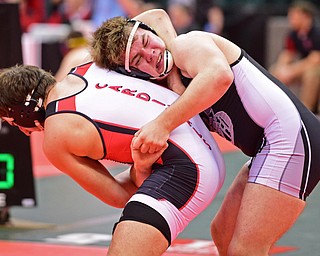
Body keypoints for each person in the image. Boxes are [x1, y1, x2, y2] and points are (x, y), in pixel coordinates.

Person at [90, 9, 320, 256]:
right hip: (269, 146)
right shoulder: (171, 85)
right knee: (223, 233)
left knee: (246, 249)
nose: (151, 55)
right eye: (138, 60)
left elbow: (219, 76)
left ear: (150, 33)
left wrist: (162, 124)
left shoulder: (186, 44)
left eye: (147, 42)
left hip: (291, 138)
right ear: (134, 73)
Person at [0, 62, 225, 255]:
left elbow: (119, 195)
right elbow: (155, 17)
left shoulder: (55, 136)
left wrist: (140, 166)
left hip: (187, 170)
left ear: (25, 111)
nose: (22, 130)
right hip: (206, 143)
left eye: (12, 122)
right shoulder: (88, 66)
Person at [270, 0, 320, 114]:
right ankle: (274, 108)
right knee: (274, 71)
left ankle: (306, 112)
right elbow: (287, 54)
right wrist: (281, 68)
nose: (290, 18)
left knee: (312, 73)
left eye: (294, 15)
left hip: (316, 68)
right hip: (305, 67)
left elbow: (315, 59)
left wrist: (291, 71)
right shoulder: (293, 34)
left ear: (305, 16)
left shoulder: (316, 33)